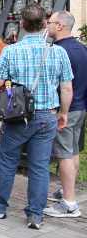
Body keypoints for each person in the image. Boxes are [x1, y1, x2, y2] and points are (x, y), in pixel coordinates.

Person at [0, 4, 73, 230]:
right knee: (39, 167)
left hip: (18, 116)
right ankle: (35, 215)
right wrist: (63, 113)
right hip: (47, 115)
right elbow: (67, 88)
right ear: (44, 25)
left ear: (21, 24)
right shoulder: (58, 52)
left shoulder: (11, 51)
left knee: (8, 161)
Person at [44, 11, 86, 218]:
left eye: (50, 22)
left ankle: (69, 203)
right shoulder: (82, 49)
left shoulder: (58, 51)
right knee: (73, 151)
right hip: (80, 108)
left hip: (65, 110)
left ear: (59, 26)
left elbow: (60, 85)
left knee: (64, 155)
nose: (47, 26)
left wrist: (62, 112)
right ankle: (66, 191)